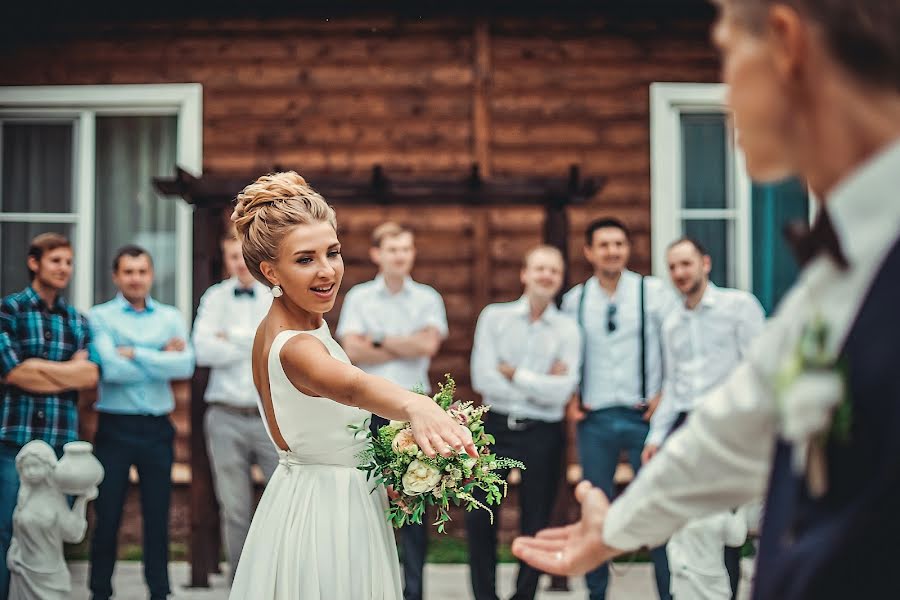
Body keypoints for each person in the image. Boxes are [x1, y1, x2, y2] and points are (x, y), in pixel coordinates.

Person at [512, 1, 900, 598]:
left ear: (784, 43)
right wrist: (612, 530)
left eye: (725, 57)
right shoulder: (834, 274)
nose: (724, 95)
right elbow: (732, 432)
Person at [227, 171, 476, 600]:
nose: (327, 271)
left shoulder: (294, 324)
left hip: (322, 493)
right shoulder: (296, 346)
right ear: (271, 271)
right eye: (305, 259)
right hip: (326, 512)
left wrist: (392, 467)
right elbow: (354, 387)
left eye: (333, 252)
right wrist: (420, 408)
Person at [560, 217, 675, 600]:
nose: (613, 251)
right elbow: (567, 354)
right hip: (595, 420)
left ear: (628, 249)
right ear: (589, 252)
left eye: (619, 244)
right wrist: (570, 394)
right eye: (604, 244)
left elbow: (673, 345)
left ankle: (668, 592)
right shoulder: (575, 300)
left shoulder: (653, 292)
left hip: (644, 416)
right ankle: (597, 594)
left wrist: (664, 393)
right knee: (596, 509)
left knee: (655, 504)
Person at [643, 237, 765, 598]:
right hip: (686, 429)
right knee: (685, 520)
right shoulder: (671, 322)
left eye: (686, 263)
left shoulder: (738, 307)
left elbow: (756, 369)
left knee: (724, 522)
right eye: (673, 267)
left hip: (729, 429)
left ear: (705, 263)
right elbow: (672, 384)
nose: (680, 272)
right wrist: (655, 437)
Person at [336, 221, 448, 600]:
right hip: (370, 413)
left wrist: (379, 340)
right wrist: (406, 343)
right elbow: (353, 350)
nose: (400, 256)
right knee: (370, 499)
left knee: (416, 500)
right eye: (392, 249)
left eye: (406, 249)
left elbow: (429, 345)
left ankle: (413, 592)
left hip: (417, 413)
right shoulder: (359, 298)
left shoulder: (428, 298)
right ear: (376, 254)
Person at [467, 245, 581, 600]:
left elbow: (562, 392)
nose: (546, 276)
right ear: (525, 274)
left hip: (543, 433)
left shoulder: (568, 329)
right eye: (540, 269)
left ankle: (524, 596)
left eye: (554, 271)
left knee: (537, 520)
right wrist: (540, 381)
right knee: (481, 516)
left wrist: (515, 374)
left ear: (560, 280)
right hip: (495, 426)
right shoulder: (494, 317)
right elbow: (484, 379)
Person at [88, 246, 195, 600]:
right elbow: (111, 369)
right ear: (116, 277)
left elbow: (185, 366)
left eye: (142, 271)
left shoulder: (169, 317)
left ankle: (159, 591)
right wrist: (160, 355)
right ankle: (99, 591)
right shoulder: (99, 317)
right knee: (107, 514)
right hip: (114, 427)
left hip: (156, 429)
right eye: (128, 271)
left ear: (150, 275)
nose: (136, 278)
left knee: (157, 514)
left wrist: (134, 352)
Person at [0, 233, 99, 600]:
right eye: (56, 261)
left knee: (54, 534)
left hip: (59, 443)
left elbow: (89, 376)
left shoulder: (76, 320)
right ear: (34, 263)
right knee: (8, 528)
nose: (64, 269)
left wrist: (37, 369)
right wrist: (64, 372)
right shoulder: (8, 311)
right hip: (15, 440)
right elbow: (12, 372)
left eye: (69, 263)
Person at [192, 229, 278, 583]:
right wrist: (250, 341)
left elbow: (274, 351)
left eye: (245, 258)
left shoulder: (275, 297)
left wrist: (231, 338)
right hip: (224, 416)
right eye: (233, 258)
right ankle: (241, 583)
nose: (240, 265)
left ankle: (277, 579)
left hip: (269, 417)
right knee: (235, 507)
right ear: (225, 260)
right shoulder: (214, 298)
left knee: (282, 502)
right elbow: (202, 350)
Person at [7, 440, 96, 600]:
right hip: (23, 569)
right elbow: (17, 533)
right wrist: (13, 552)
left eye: (36, 466)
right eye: (26, 467)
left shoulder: (55, 500)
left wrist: (82, 501)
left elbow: (73, 534)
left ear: (49, 466)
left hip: (50, 572)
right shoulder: (23, 499)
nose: (30, 471)